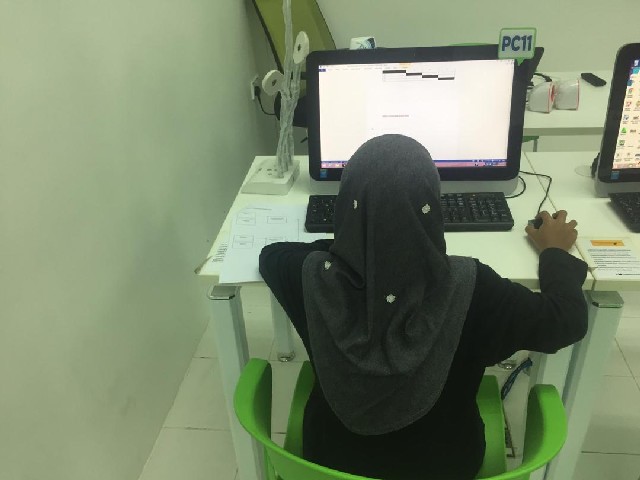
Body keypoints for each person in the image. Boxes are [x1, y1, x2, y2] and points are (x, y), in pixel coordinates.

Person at [259, 134, 588, 480]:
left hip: (326, 463)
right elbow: (567, 319)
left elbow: (271, 255)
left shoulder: (308, 278)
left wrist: (358, 243)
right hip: (447, 467)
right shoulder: (475, 289)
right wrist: (554, 253)